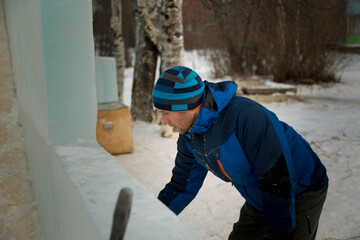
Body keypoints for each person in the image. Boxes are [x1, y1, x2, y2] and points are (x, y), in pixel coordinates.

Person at [152, 66, 328, 240]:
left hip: (300, 189)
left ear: (188, 106)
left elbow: (277, 181)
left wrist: (279, 232)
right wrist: (151, 220)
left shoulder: (246, 117)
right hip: (259, 195)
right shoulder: (189, 136)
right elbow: (182, 185)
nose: (164, 121)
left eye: (166, 113)